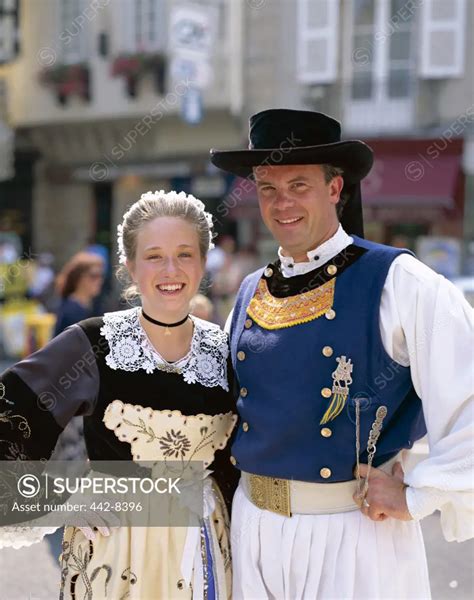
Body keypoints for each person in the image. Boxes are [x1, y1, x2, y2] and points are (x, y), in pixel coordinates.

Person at [210, 108, 474, 599]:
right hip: (251, 531)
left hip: (353, 535)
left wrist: (419, 494)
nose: (281, 202)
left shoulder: (398, 280)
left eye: (299, 185)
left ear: (336, 188)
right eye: (267, 187)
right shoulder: (249, 292)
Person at [0, 190, 238, 599]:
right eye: (154, 255)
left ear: (202, 263)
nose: (171, 269)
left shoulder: (228, 349)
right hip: (115, 552)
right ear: (129, 266)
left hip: (205, 549)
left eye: (185, 254)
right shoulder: (94, 341)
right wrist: (62, 500)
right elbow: (11, 412)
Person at [53, 251, 105, 336]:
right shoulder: (71, 310)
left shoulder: (92, 306)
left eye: (101, 276)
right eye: (94, 276)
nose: (99, 281)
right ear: (79, 278)